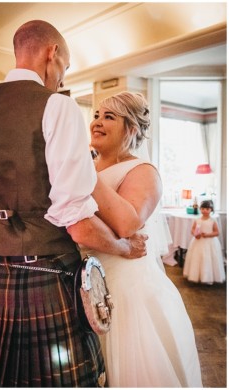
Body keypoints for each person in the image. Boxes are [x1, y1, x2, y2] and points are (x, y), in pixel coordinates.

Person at [0, 21, 147, 387]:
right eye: (64, 68)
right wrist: (124, 247)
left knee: (1, 378)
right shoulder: (57, 106)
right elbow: (77, 221)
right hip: (48, 274)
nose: (62, 78)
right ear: (52, 54)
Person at [85, 91, 202, 386]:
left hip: (126, 290)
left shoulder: (143, 172)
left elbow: (126, 223)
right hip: (83, 283)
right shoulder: (88, 166)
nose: (96, 122)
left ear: (132, 130)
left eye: (109, 117)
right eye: (97, 115)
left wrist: (85, 174)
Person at [184, 200, 225, 284]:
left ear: (211, 210)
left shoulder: (212, 220)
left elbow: (217, 232)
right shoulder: (197, 220)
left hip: (210, 243)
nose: (204, 210)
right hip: (198, 241)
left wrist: (207, 235)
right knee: (197, 258)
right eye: (202, 208)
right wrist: (195, 234)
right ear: (200, 209)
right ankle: (196, 275)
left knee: (208, 259)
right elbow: (193, 229)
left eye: (207, 208)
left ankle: (208, 277)